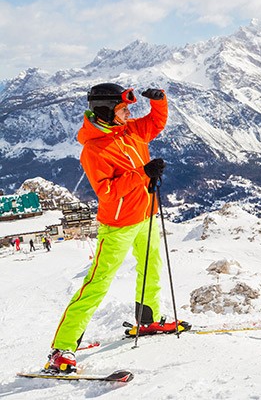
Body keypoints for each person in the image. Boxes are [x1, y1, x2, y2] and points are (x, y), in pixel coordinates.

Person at [45, 83, 189, 374]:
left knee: (151, 267)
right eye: (123, 109)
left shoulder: (130, 130)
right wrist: (142, 174)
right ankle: (62, 348)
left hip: (145, 214)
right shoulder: (94, 149)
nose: (128, 113)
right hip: (119, 224)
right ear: (106, 111)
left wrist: (160, 102)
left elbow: (156, 122)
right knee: (98, 283)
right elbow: (107, 192)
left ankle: (148, 320)